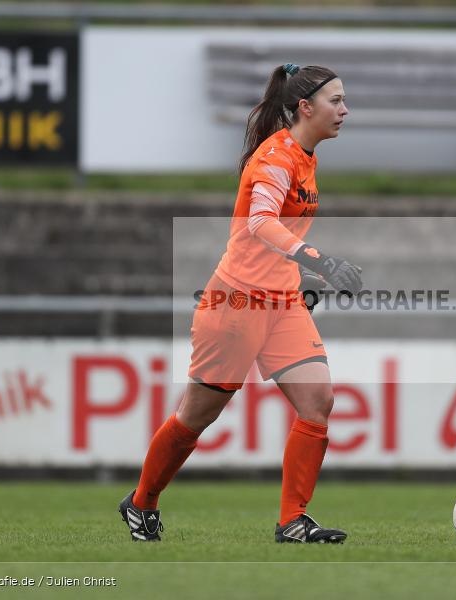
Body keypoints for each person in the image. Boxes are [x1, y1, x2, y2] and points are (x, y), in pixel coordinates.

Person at [119, 63, 361, 544]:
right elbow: (261, 223)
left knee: (318, 401)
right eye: (336, 100)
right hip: (236, 304)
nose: (345, 109)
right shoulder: (276, 158)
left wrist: (301, 278)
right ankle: (141, 501)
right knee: (196, 416)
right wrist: (319, 260)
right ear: (305, 107)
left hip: (281, 301)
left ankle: (292, 521)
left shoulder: (305, 156)